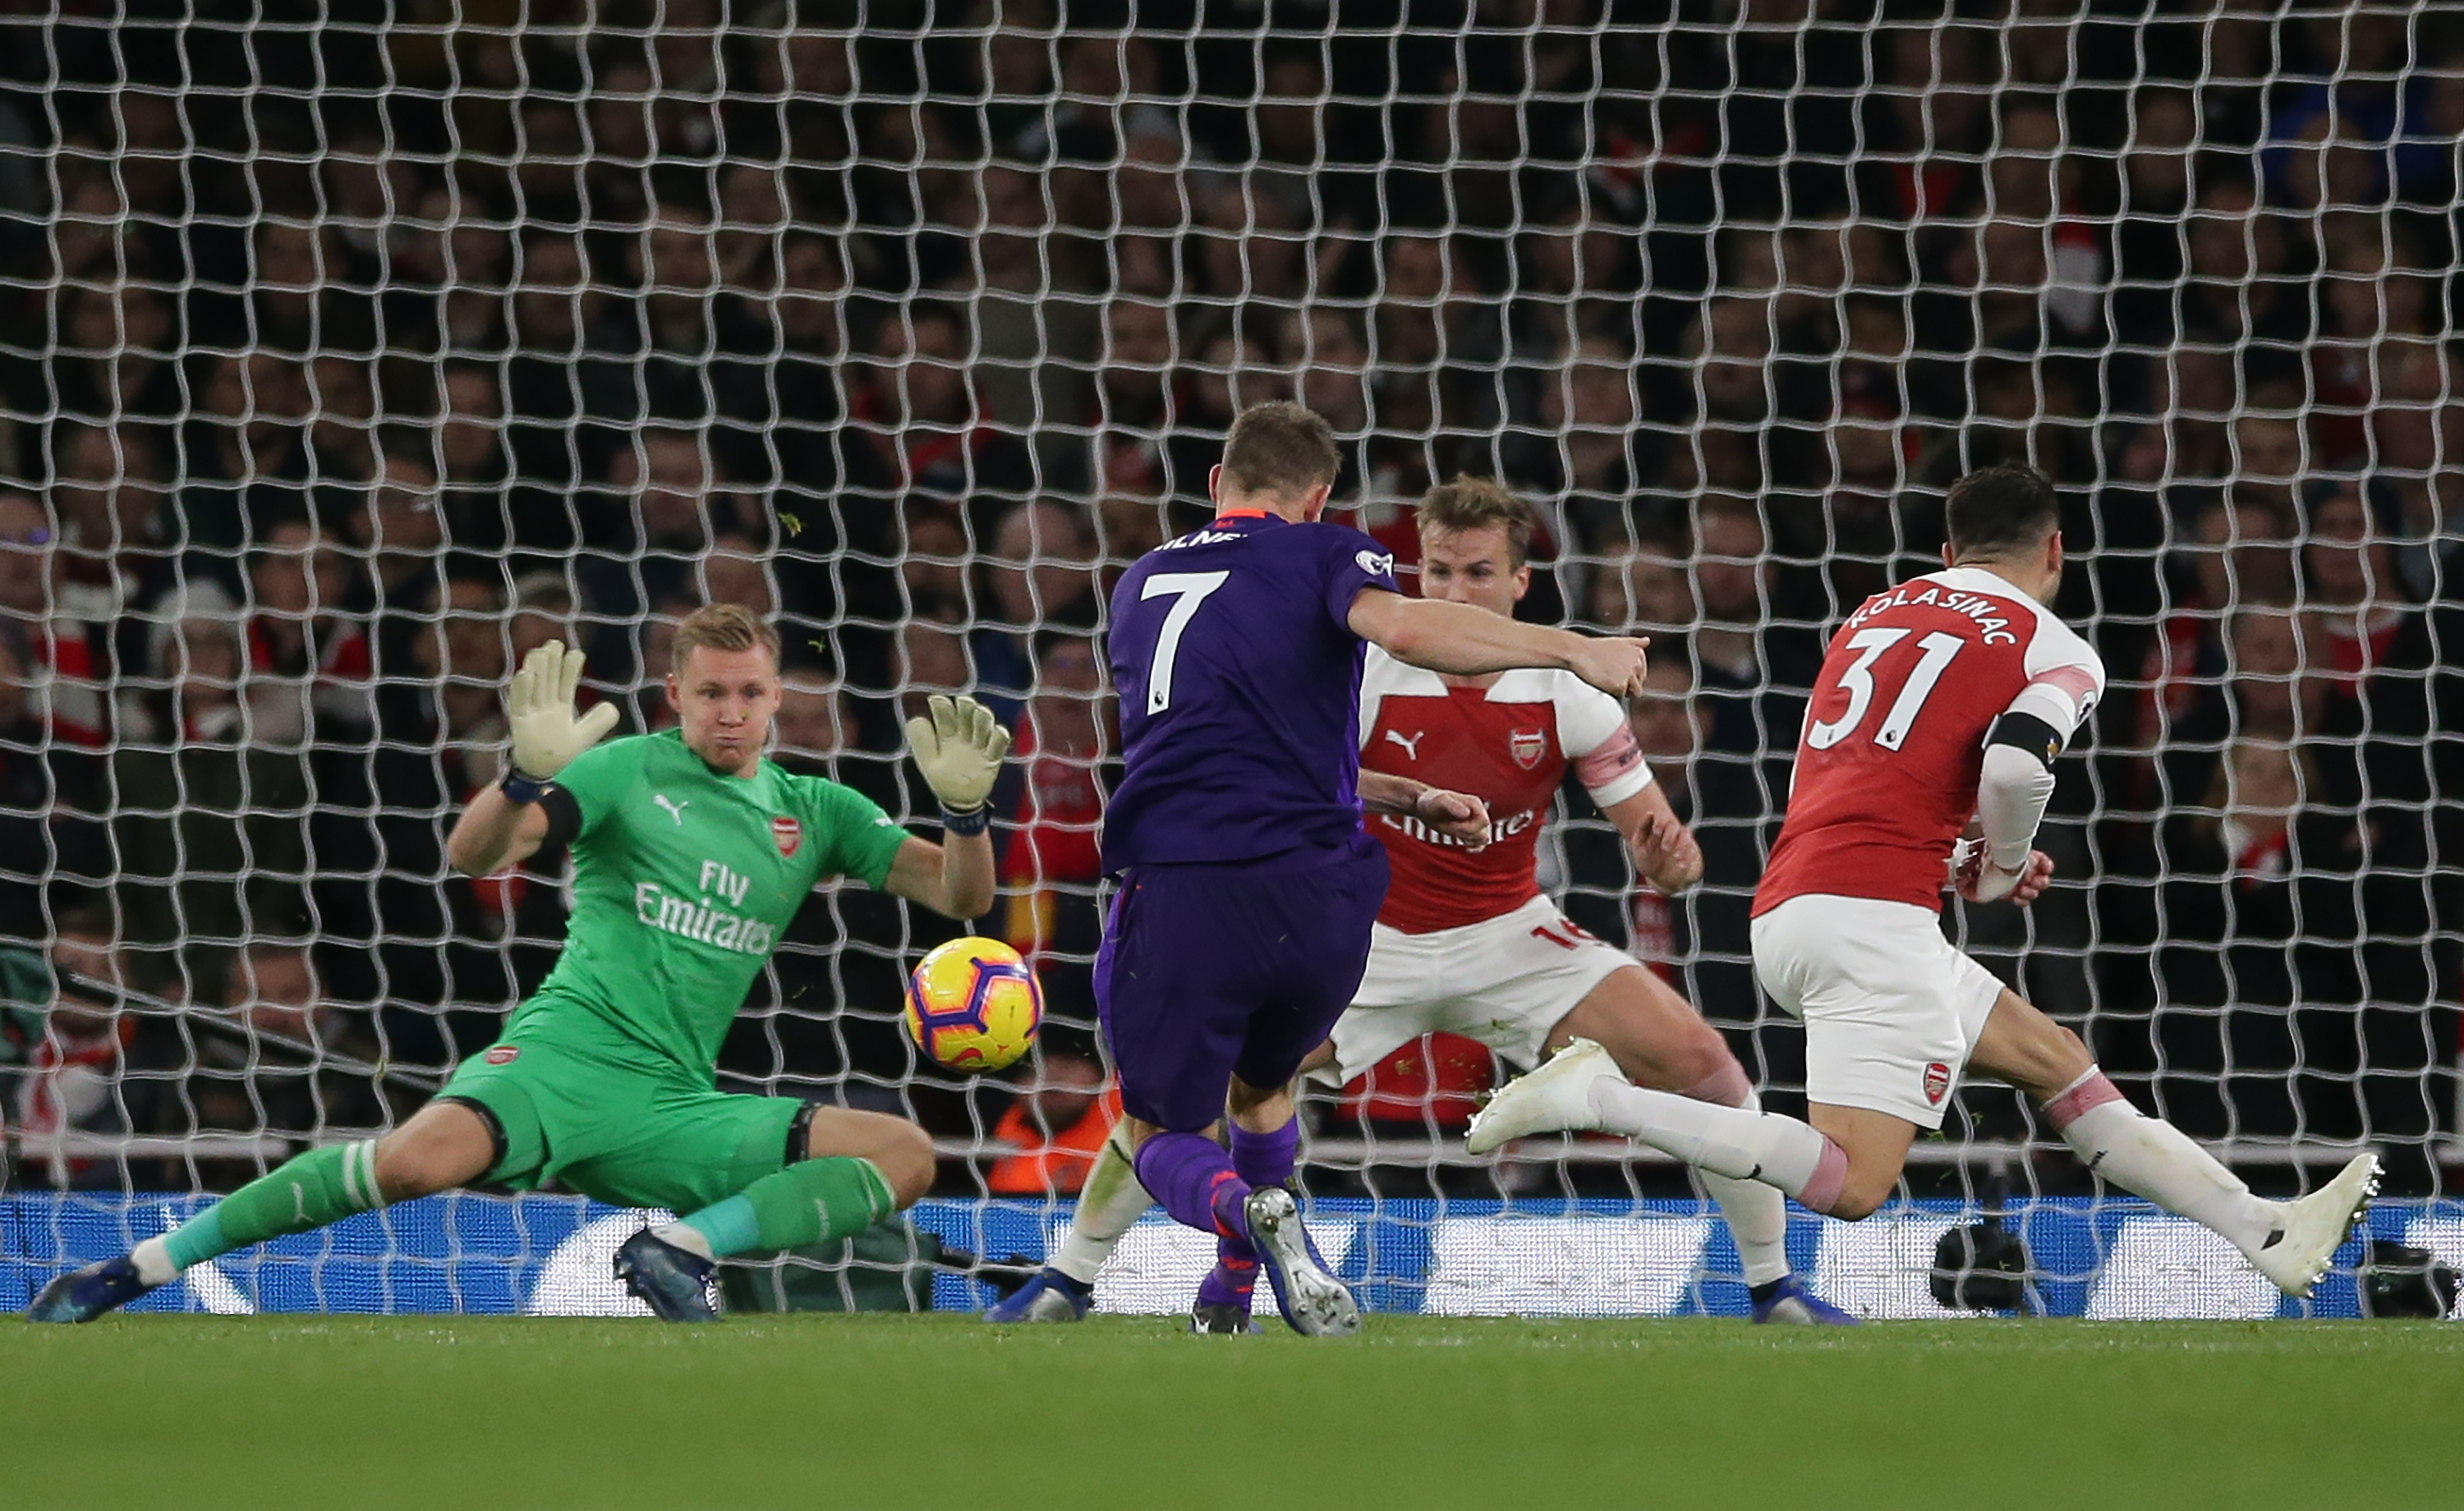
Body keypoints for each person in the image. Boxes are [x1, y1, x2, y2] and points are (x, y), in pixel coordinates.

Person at [1468, 463, 2379, 1304]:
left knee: (2058, 1062)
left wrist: (1953, 859)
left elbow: (1843, 780)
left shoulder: (1873, 616)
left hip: (1806, 898)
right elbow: (2019, 773)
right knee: (1856, 1183)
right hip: (1871, 925)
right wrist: (2006, 865)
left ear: (1947, 555)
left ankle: (2266, 1229)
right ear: (2054, 550)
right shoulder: (2054, 645)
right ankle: (1595, 1099)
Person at [994, 478, 1850, 1328]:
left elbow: (1663, 852)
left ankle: (1774, 1289)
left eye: (1478, 574)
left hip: (1512, 933)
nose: (1454, 592)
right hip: (1373, 943)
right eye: (1437, 573)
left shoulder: (1565, 689)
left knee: (1705, 1065)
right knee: (1183, 1087)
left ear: (1521, 583)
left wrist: (1673, 860)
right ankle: (1069, 1278)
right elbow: (1296, 769)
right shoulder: (1365, 668)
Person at [30, 604, 1014, 1325]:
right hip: (563, 1058)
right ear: (675, 694)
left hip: (673, 1103)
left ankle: (678, 1249)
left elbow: (963, 901)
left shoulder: (820, 811)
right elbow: (475, 854)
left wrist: (969, 817)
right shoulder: (625, 768)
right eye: (710, 692)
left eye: (750, 693)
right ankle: (129, 1272)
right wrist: (521, 777)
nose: (730, 712)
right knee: (413, 1162)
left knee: (904, 1153)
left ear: (775, 699)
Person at [1065, 402, 1648, 1338]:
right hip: (1322, 903)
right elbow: (1404, 633)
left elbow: (1225, 746)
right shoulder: (1327, 552)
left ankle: (1241, 1219)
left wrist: (1560, 663)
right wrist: (1573, 644)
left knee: (1161, 1134)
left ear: (1218, 485)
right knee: (1263, 1087)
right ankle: (1230, 1295)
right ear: (1320, 497)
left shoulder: (1138, 582)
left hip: (1187, 888)